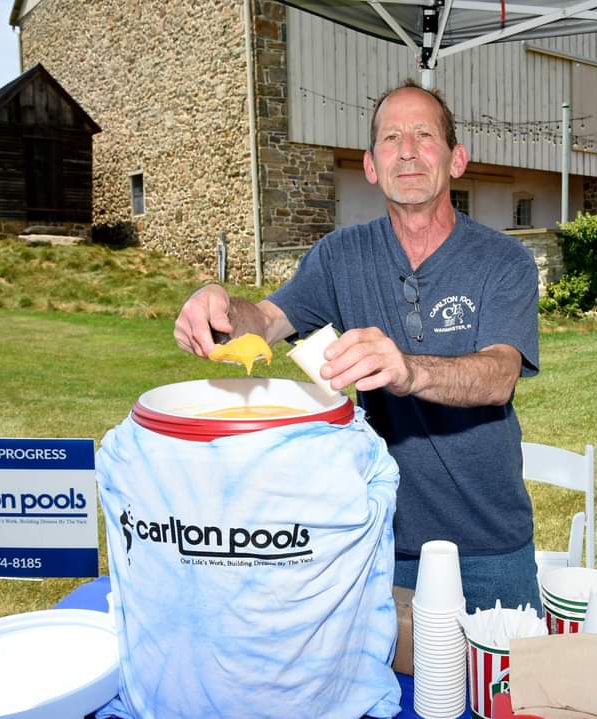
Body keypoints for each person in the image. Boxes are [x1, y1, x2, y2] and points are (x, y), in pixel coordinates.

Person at [174, 81, 543, 613]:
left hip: (489, 544)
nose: (408, 150)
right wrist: (222, 308)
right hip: (377, 537)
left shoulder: (503, 261)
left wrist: (408, 370)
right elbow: (269, 320)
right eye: (391, 138)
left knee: (500, 692)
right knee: (389, 690)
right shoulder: (339, 255)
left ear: (457, 159)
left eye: (424, 135)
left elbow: (499, 375)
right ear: (371, 165)